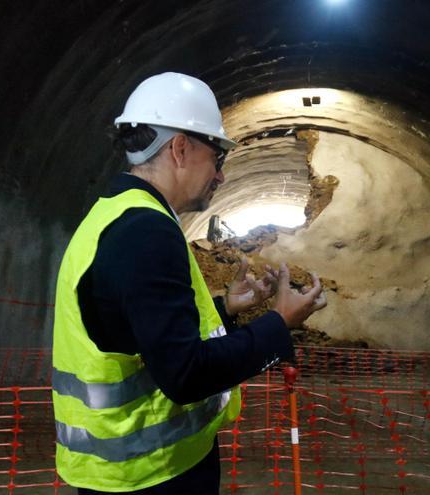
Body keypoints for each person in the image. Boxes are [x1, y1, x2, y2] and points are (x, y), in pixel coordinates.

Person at [52, 72, 327, 494]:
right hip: (153, 474)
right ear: (180, 148)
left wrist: (225, 309)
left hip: (123, 475)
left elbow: (142, 334)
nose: (219, 176)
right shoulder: (147, 231)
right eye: (217, 158)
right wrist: (278, 323)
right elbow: (185, 375)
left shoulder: (114, 216)